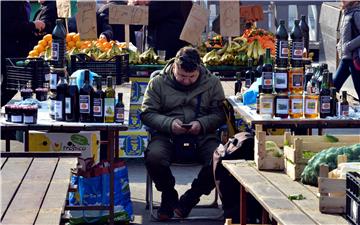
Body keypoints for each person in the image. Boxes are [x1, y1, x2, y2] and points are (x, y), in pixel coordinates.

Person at [141, 47, 226, 220]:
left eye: (191, 77)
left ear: (199, 70)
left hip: (203, 135)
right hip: (166, 134)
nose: (186, 81)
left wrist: (201, 124)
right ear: (174, 68)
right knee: (154, 157)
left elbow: (220, 114)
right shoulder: (158, 82)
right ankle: (169, 196)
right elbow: (147, 113)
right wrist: (169, 123)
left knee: (220, 159)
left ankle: (191, 198)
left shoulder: (212, 82)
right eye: (181, 76)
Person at [1, 1, 46, 106]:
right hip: (7, 50)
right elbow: (7, 25)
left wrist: (33, 30)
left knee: (13, 84)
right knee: (14, 83)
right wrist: (32, 25)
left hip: (15, 50)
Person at [334, 0, 360, 99]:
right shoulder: (347, 12)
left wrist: (348, 46)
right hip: (346, 58)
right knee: (333, 86)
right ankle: (328, 111)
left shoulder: (356, 13)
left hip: (355, 59)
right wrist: (340, 45)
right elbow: (347, 35)